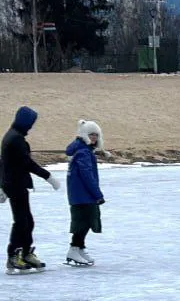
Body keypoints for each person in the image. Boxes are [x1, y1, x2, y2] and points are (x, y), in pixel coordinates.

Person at [1, 106, 60, 273]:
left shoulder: (13, 136)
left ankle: (26, 253)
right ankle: (13, 255)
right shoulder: (15, 139)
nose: (31, 126)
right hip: (15, 185)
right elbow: (27, 163)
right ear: (25, 122)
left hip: (16, 184)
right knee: (21, 221)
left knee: (27, 221)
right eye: (31, 123)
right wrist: (48, 176)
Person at [65, 120, 106, 266]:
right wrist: (98, 194)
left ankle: (79, 248)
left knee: (86, 221)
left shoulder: (83, 149)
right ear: (84, 135)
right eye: (91, 134)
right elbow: (87, 175)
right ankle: (74, 248)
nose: (94, 137)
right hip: (83, 194)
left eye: (96, 134)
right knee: (84, 222)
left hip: (80, 194)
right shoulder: (83, 152)